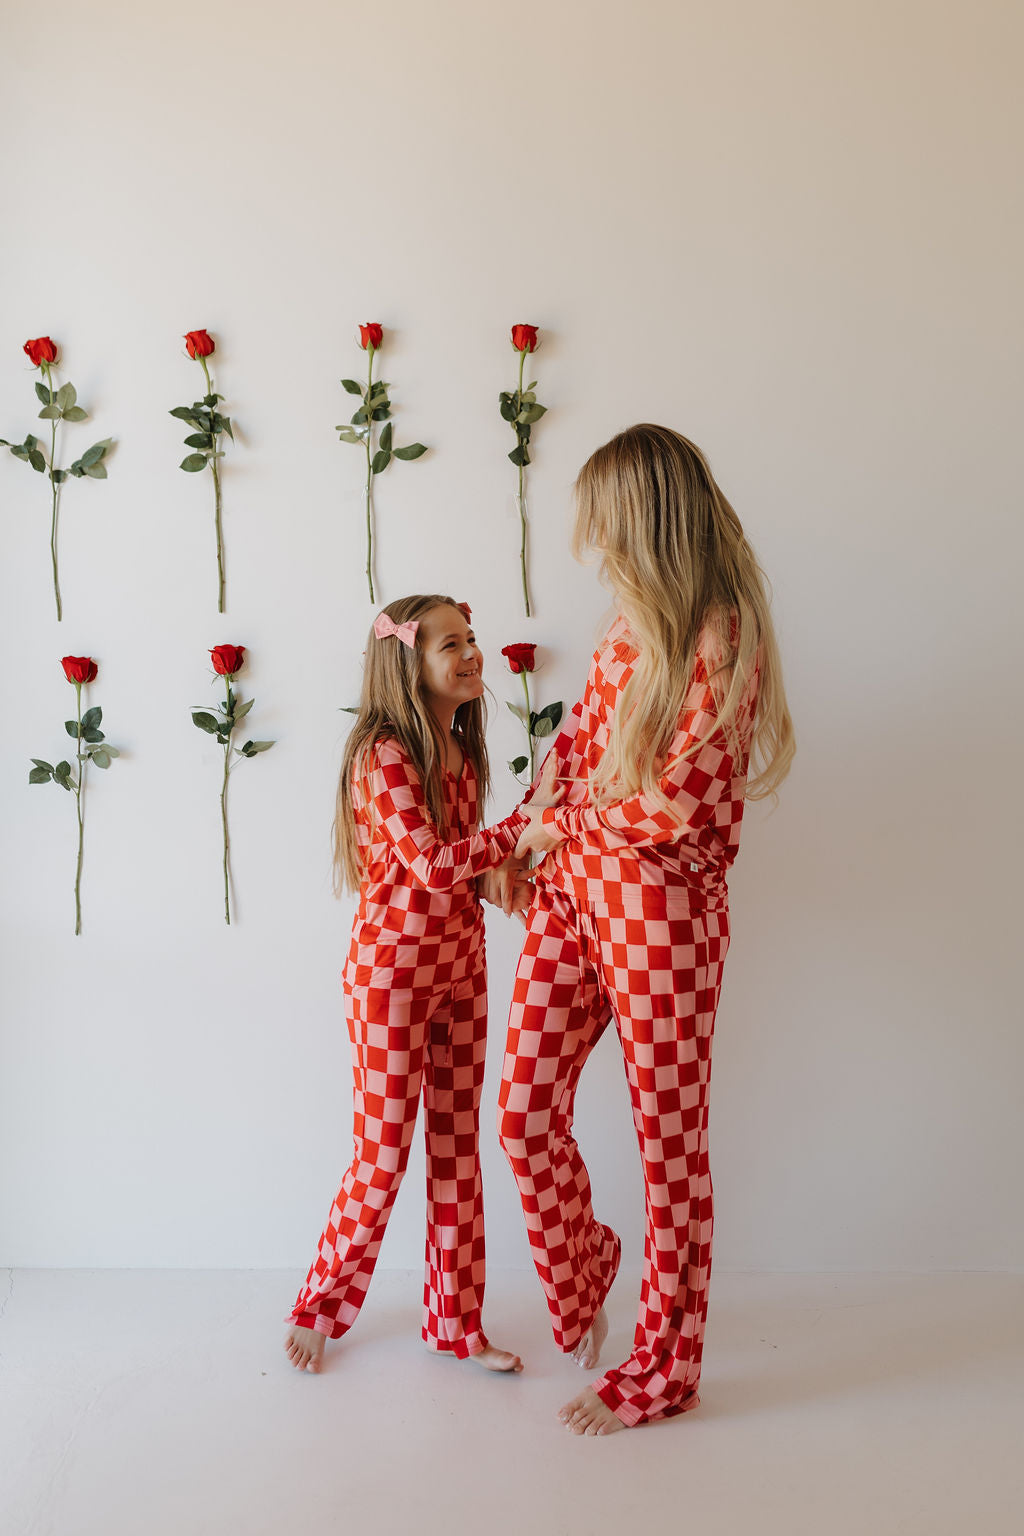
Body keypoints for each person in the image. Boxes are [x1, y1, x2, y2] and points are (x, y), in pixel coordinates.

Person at [498, 424, 795, 1433]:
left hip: (660, 915)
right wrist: (519, 839)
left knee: (669, 1149)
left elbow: (671, 807)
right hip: (573, 893)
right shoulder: (625, 624)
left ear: (646, 522)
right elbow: (575, 747)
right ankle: (587, 1269)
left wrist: (557, 824)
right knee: (521, 1113)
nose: (595, 548)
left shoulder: (718, 636)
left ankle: (664, 1369)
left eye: (606, 526)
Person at [284, 594, 531, 1375]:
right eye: (451, 644)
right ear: (407, 661)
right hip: (391, 980)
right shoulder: (383, 754)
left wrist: (510, 868)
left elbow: (465, 866)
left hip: (461, 971)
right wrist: (523, 833)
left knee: (459, 1152)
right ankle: (319, 1304)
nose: (471, 653)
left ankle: (455, 1323)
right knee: (383, 1154)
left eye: (472, 639)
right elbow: (427, 865)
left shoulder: (461, 750)